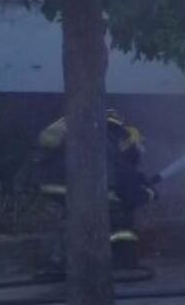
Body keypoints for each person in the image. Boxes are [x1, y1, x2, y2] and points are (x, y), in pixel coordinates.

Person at [34, 108, 158, 270]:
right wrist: (149, 193)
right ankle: (123, 261)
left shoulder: (85, 132)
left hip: (54, 185)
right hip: (76, 188)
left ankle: (61, 262)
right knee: (120, 217)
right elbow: (129, 190)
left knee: (74, 221)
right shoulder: (111, 143)